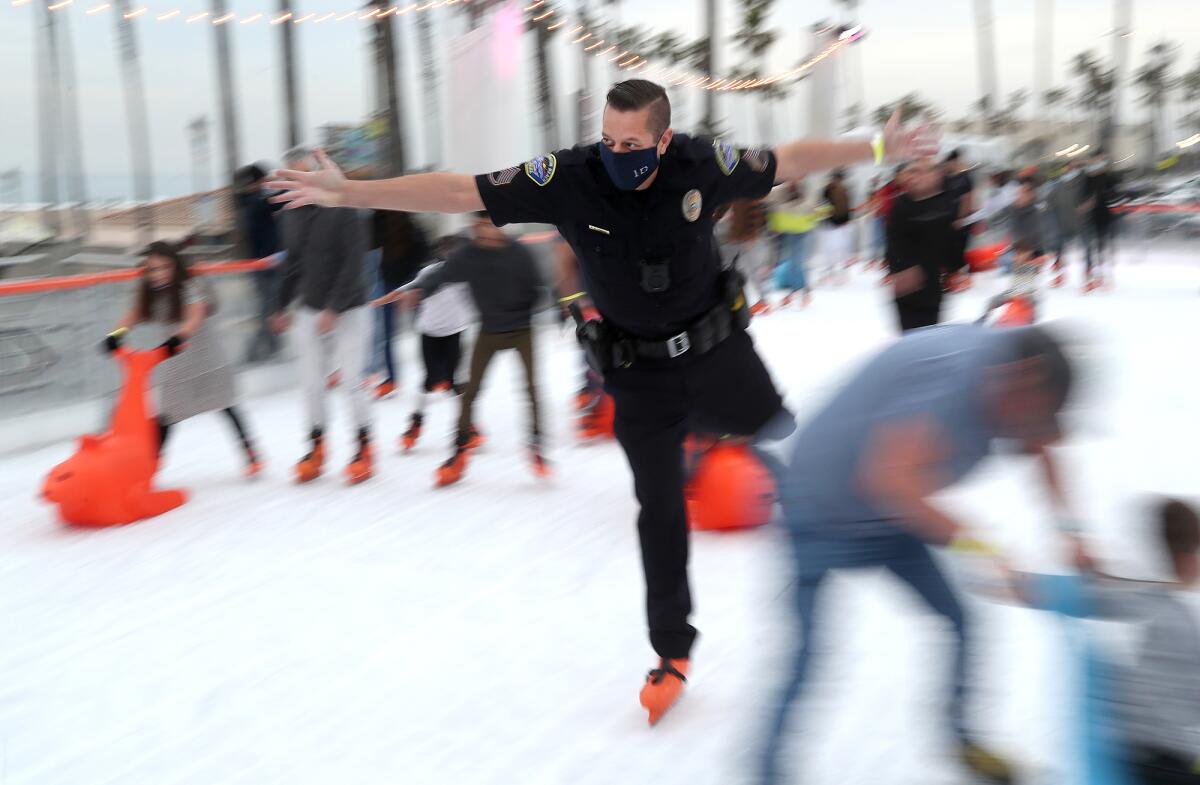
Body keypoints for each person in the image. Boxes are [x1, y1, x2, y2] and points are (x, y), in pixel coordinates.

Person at [268, 78, 931, 724]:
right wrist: (349, 190)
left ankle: (856, 505)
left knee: (783, 436)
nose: (618, 153)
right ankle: (672, 650)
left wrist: (877, 148)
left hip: (715, 353)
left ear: (663, 138)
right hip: (636, 373)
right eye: (608, 139)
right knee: (659, 509)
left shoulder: (700, 162)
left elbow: (792, 158)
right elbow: (458, 189)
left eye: (633, 141)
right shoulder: (570, 175)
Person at [760, 322, 1080, 784]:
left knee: (961, 621)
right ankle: (766, 773)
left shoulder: (1014, 377)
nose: (1030, 430)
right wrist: (988, 551)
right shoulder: (953, 381)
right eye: (1035, 413)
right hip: (819, 511)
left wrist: (1072, 531)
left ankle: (961, 738)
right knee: (809, 659)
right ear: (1024, 376)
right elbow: (889, 480)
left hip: (887, 517)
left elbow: (1042, 445)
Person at [1004, 499, 1200, 785]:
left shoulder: (1152, 602)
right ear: (1185, 556)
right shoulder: (1158, 606)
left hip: (1151, 753)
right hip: (1155, 754)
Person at [376, 211, 549, 485]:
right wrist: (411, 291)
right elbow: (438, 276)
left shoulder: (518, 254)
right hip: (488, 330)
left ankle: (536, 444)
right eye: (477, 225)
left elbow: (537, 289)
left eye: (488, 225)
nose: (482, 230)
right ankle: (459, 449)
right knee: (469, 391)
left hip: (521, 330)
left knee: (530, 388)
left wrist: (515, 308)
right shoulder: (468, 255)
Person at [105, 241, 261, 476]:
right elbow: (132, 316)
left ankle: (250, 452)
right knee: (168, 415)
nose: (159, 274)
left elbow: (195, 314)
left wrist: (180, 336)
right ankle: (151, 465)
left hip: (205, 355)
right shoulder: (150, 294)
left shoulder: (190, 285)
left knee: (225, 404)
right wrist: (115, 336)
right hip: (177, 362)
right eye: (153, 270)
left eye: (164, 267)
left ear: (175, 267)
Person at [270, 145, 373, 486]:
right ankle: (316, 446)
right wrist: (280, 305)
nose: (299, 182)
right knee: (312, 383)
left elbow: (353, 263)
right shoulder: (291, 214)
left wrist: (335, 308)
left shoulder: (344, 208)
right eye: (293, 177)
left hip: (349, 309)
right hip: (310, 308)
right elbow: (293, 264)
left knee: (352, 382)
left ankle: (363, 447)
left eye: (305, 173)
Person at [394, 237, 475, 452]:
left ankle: (468, 425)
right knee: (430, 380)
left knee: (453, 380)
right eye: (447, 252)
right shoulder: (429, 273)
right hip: (429, 333)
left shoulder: (466, 274)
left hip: (454, 332)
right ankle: (416, 423)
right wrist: (407, 299)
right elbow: (414, 291)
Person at [885, 156, 957, 332]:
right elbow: (893, 241)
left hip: (933, 284)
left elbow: (950, 238)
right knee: (909, 337)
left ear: (937, 175)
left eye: (925, 171)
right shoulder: (902, 204)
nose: (918, 176)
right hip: (907, 285)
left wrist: (953, 269)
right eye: (913, 171)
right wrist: (897, 269)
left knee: (928, 335)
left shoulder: (945, 203)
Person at [370, 209, 430, 398]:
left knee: (427, 329)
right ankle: (390, 379)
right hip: (387, 282)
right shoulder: (376, 222)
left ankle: (435, 375)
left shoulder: (412, 228)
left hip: (412, 282)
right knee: (386, 333)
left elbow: (422, 256)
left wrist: (411, 289)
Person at [234, 163, 284, 363]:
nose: (267, 184)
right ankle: (255, 354)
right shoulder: (257, 202)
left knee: (270, 310)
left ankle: (272, 347)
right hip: (266, 268)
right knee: (268, 311)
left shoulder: (246, 202)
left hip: (262, 267)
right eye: (265, 181)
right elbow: (279, 199)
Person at [767, 180, 819, 307]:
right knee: (788, 261)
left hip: (802, 229)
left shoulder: (808, 189)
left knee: (796, 262)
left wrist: (784, 207)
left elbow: (806, 207)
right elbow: (769, 200)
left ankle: (802, 293)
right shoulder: (782, 189)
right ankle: (797, 292)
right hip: (786, 229)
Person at [722, 197, 773, 313]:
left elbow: (756, 216)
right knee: (738, 272)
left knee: (750, 273)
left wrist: (751, 235)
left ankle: (762, 302)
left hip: (746, 241)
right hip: (735, 240)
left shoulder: (750, 197)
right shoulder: (735, 195)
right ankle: (757, 302)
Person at [1047, 161, 1086, 287]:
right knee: (1059, 252)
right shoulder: (1058, 186)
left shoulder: (1082, 185)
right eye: (1068, 168)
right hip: (1062, 224)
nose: (1070, 171)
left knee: (1085, 251)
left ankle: (1087, 275)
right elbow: (1049, 203)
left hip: (1080, 224)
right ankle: (1059, 276)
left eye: (1073, 168)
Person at [1082, 151, 1117, 292]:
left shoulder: (1109, 177)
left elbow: (1114, 193)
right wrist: (1086, 203)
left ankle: (1102, 275)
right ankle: (1089, 275)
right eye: (1097, 160)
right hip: (1090, 216)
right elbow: (1082, 196)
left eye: (1102, 160)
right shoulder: (1088, 178)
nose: (1099, 163)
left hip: (1105, 215)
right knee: (1089, 246)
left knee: (1102, 246)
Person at [943, 149, 976, 286]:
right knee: (949, 249)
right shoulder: (948, 178)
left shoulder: (965, 178)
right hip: (949, 220)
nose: (947, 166)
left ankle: (961, 276)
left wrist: (961, 218)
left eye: (949, 163)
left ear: (954, 162)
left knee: (959, 249)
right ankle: (952, 275)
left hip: (961, 220)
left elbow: (967, 199)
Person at [818, 168, 854, 284]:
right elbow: (823, 206)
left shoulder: (843, 189)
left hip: (840, 223)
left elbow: (846, 207)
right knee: (832, 248)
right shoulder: (829, 190)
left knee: (841, 248)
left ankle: (840, 271)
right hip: (831, 223)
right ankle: (831, 270)